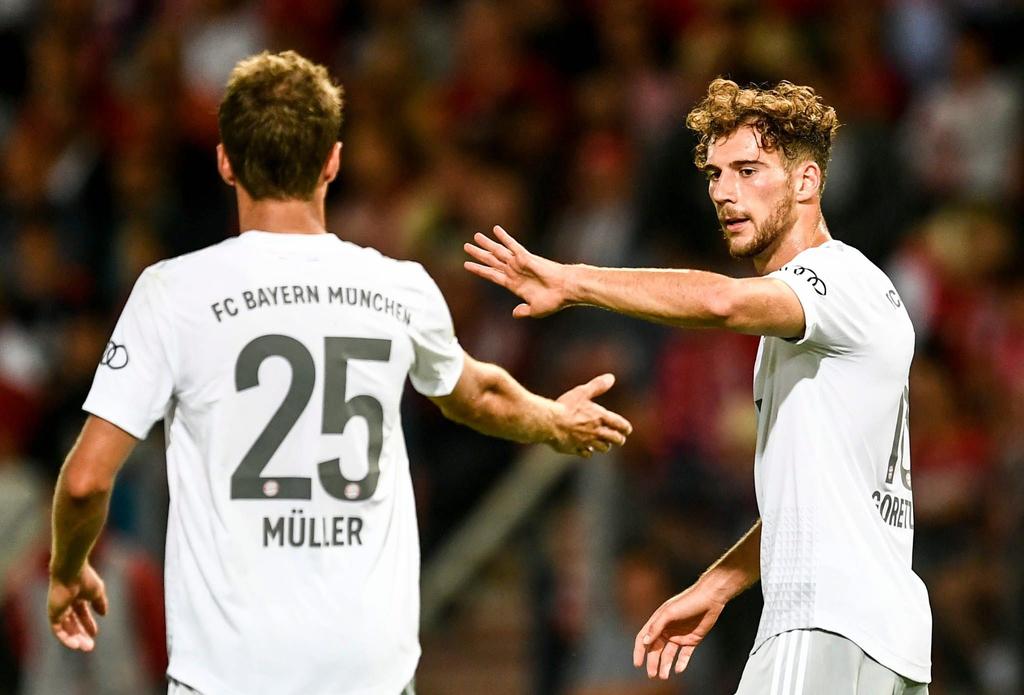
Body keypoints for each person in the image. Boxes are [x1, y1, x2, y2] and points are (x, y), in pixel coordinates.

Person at [46, 50, 633, 695]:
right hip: (367, 673)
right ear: (332, 161)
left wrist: (68, 570)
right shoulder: (398, 287)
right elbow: (476, 394)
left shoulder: (172, 293)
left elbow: (86, 482)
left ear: (225, 162)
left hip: (230, 674)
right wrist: (554, 420)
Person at [464, 78, 931, 694]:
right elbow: (824, 503)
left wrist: (573, 282)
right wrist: (718, 583)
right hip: (883, 636)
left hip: (824, 623)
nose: (724, 193)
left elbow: (720, 302)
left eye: (748, 171)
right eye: (715, 174)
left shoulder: (835, 279)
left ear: (806, 182)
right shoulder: (836, 309)